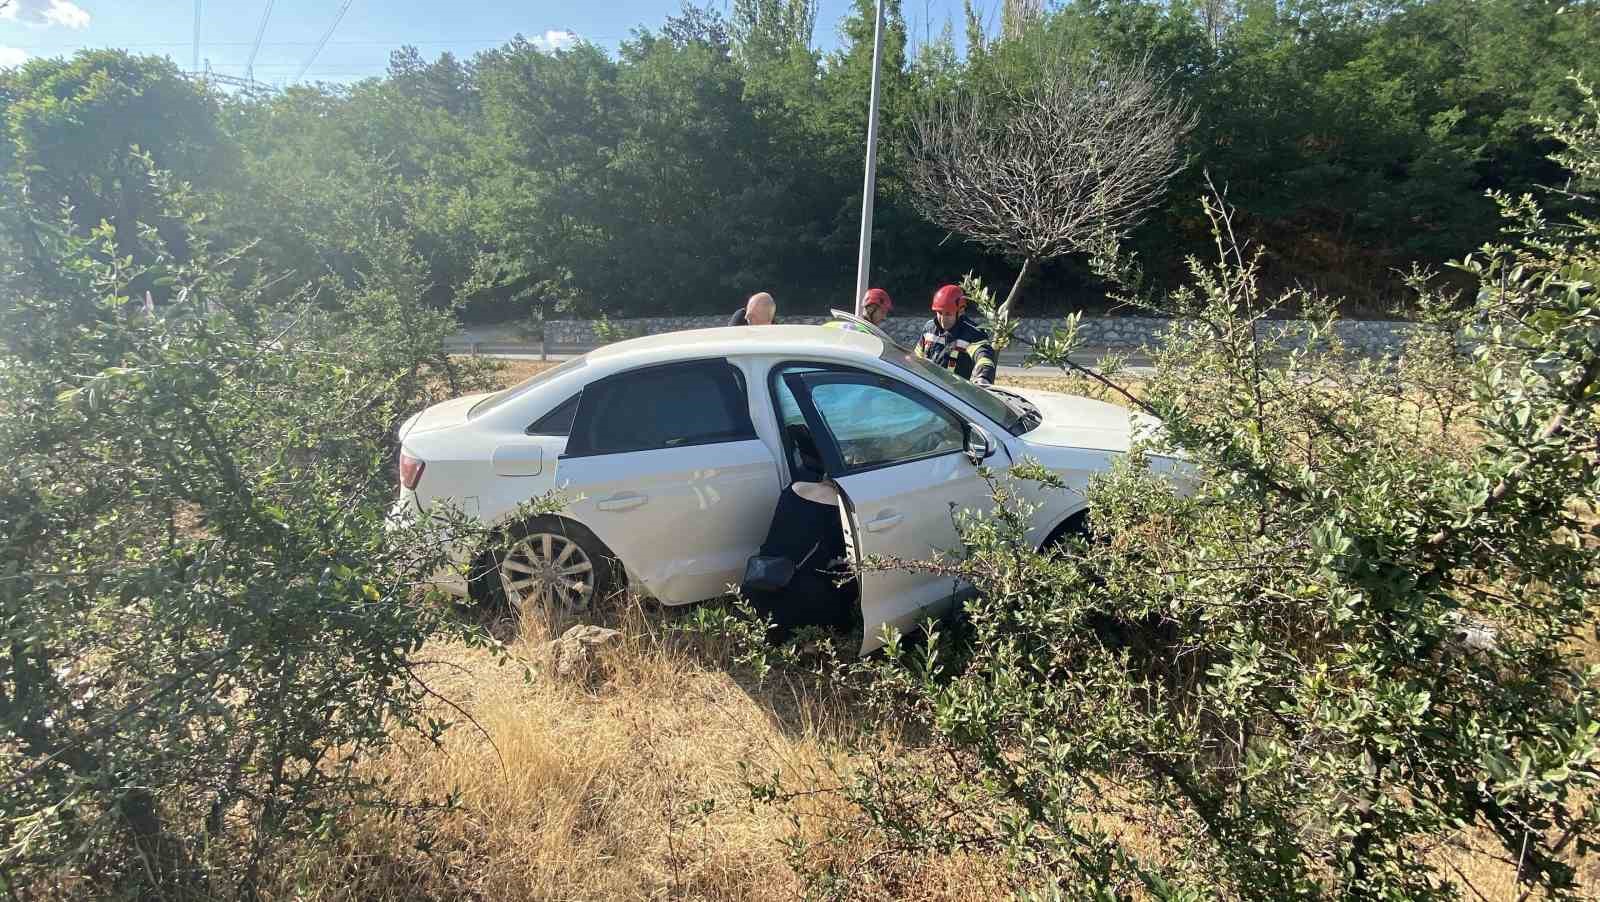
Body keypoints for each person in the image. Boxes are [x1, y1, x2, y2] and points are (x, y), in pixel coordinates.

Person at [915, 284, 996, 386]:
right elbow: (917, 357)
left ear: (961, 311)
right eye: (939, 312)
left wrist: (983, 378)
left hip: (956, 395)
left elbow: (984, 357)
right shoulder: (929, 329)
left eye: (948, 314)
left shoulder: (973, 333)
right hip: (930, 391)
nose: (943, 319)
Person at [825, 287, 893, 333]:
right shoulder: (866, 336)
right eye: (882, 312)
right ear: (870, 309)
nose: (884, 317)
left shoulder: (832, 326)